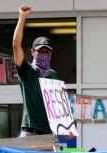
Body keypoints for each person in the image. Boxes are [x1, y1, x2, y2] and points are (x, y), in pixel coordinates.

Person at [13, 5, 74, 139]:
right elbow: (16, 45)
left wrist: (66, 127)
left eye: (47, 51)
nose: (44, 54)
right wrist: (22, 17)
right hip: (30, 132)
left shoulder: (53, 75)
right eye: (40, 51)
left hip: (49, 133)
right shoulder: (26, 71)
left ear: (51, 52)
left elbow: (58, 104)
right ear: (32, 52)